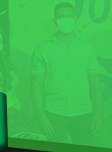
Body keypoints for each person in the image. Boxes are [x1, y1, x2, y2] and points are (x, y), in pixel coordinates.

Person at [29, 3, 102, 143]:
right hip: (53, 113)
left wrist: (98, 114)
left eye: (69, 16)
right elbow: (36, 85)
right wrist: (41, 116)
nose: (65, 19)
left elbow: (95, 84)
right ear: (54, 20)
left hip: (83, 112)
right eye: (61, 16)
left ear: (75, 19)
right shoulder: (42, 49)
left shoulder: (88, 49)